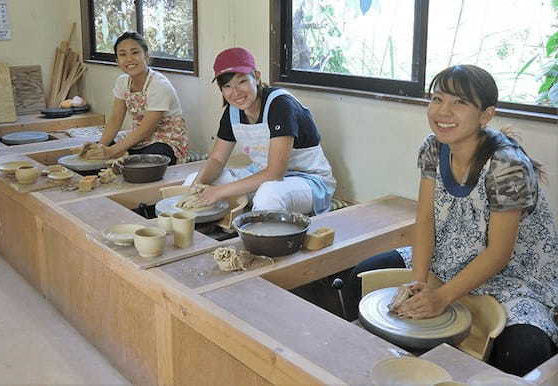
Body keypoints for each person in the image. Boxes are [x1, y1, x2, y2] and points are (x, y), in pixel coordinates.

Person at [349, 65, 558, 376]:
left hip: (514, 273)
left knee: (524, 351)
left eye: (460, 102)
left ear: (486, 115)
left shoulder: (507, 165)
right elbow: (425, 219)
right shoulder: (433, 147)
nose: (443, 111)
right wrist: (418, 282)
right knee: (360, 277)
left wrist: (442, 298)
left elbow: (500, 254)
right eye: (437, 99)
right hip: (450, 255)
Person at [185, 47, 336, 215]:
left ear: (256, 77)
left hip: (307, 180)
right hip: (259, 175)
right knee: (192, 181)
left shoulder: (281, 105)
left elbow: (275, 173)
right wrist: (196, 188)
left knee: (268, 196)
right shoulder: (232, 111)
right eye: (227, 86)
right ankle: (213, 232)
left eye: (242, 82)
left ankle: (259, 233)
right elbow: (217, 159)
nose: (235, 93)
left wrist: (219, 192)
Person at [86, 31, 188, 164]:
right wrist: (100, 147)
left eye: (135, 52)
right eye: (123, 54)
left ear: (146, 56)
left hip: (165, 140)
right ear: (117, 61)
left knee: (152, 158)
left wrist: (111, 152)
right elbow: (115, 119)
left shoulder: (159, 85)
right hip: (138, 139)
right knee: (102, 148)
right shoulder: (122, 82)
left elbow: (146, 130)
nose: (129, 59)